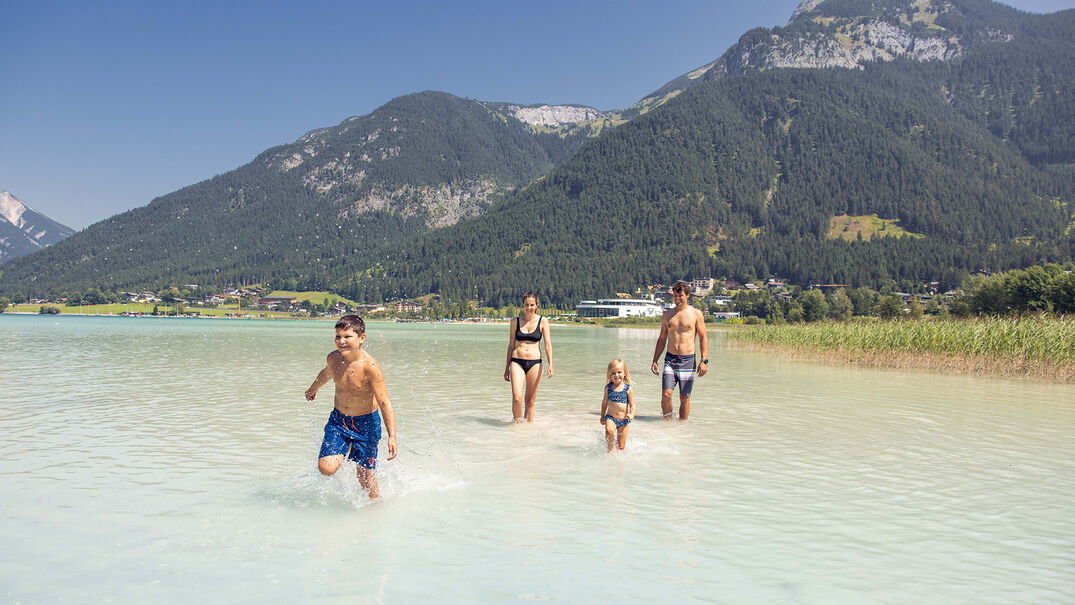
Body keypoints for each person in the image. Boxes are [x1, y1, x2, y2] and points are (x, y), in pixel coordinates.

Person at [305, 314, 398, 499]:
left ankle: (376, 508)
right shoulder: (333, 358)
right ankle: (345, 446)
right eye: (338, 336)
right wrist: (313, 388)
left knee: (365, 480)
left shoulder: (370, 367)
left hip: (366, 425)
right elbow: (326, 373)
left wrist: (392, 436)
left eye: (347, 336)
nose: (341, 341)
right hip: (339, 421)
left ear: (361, 338)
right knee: (326, 468)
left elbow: (384, 401)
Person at [650, 280, 709, 420]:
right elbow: (662, 339)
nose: (677, 298)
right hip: (670, 359)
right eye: (675, 296)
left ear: (687, 295)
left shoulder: (696, 314)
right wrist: (655, 360)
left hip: (687, 360)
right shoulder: (667, 315)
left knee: (684, 398)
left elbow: (703, 337)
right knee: (666, 394)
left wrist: (704, 361)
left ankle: (682, 427)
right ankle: (668, 423)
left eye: (680, 295)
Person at [503, 291, 554, 422]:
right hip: (517, 362)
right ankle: (517, 426)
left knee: (530, 400)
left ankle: (528, 429)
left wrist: (551, 365)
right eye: (526, 304)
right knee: (517, 397)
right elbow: (511, 345)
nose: (529, 307)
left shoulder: (543, 321)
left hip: (535, 363)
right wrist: (507, 366)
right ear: (523, 305)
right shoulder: (515, 321)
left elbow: (548, 345)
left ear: (537, 305)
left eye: (532, 305)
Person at [599, 359, 635, 451]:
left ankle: (618, 462)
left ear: (625, 373)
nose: (616, 375)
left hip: (624, 421)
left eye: (619, 372)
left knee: (621, 448)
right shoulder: (608, 388)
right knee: (609, 430)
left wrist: (631, 414)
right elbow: (604, 402)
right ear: (609, 375)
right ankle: (610, 452)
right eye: (613, 373)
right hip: (610, 418)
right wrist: (602, 416)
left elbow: (633, 405)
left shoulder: (628, 389)